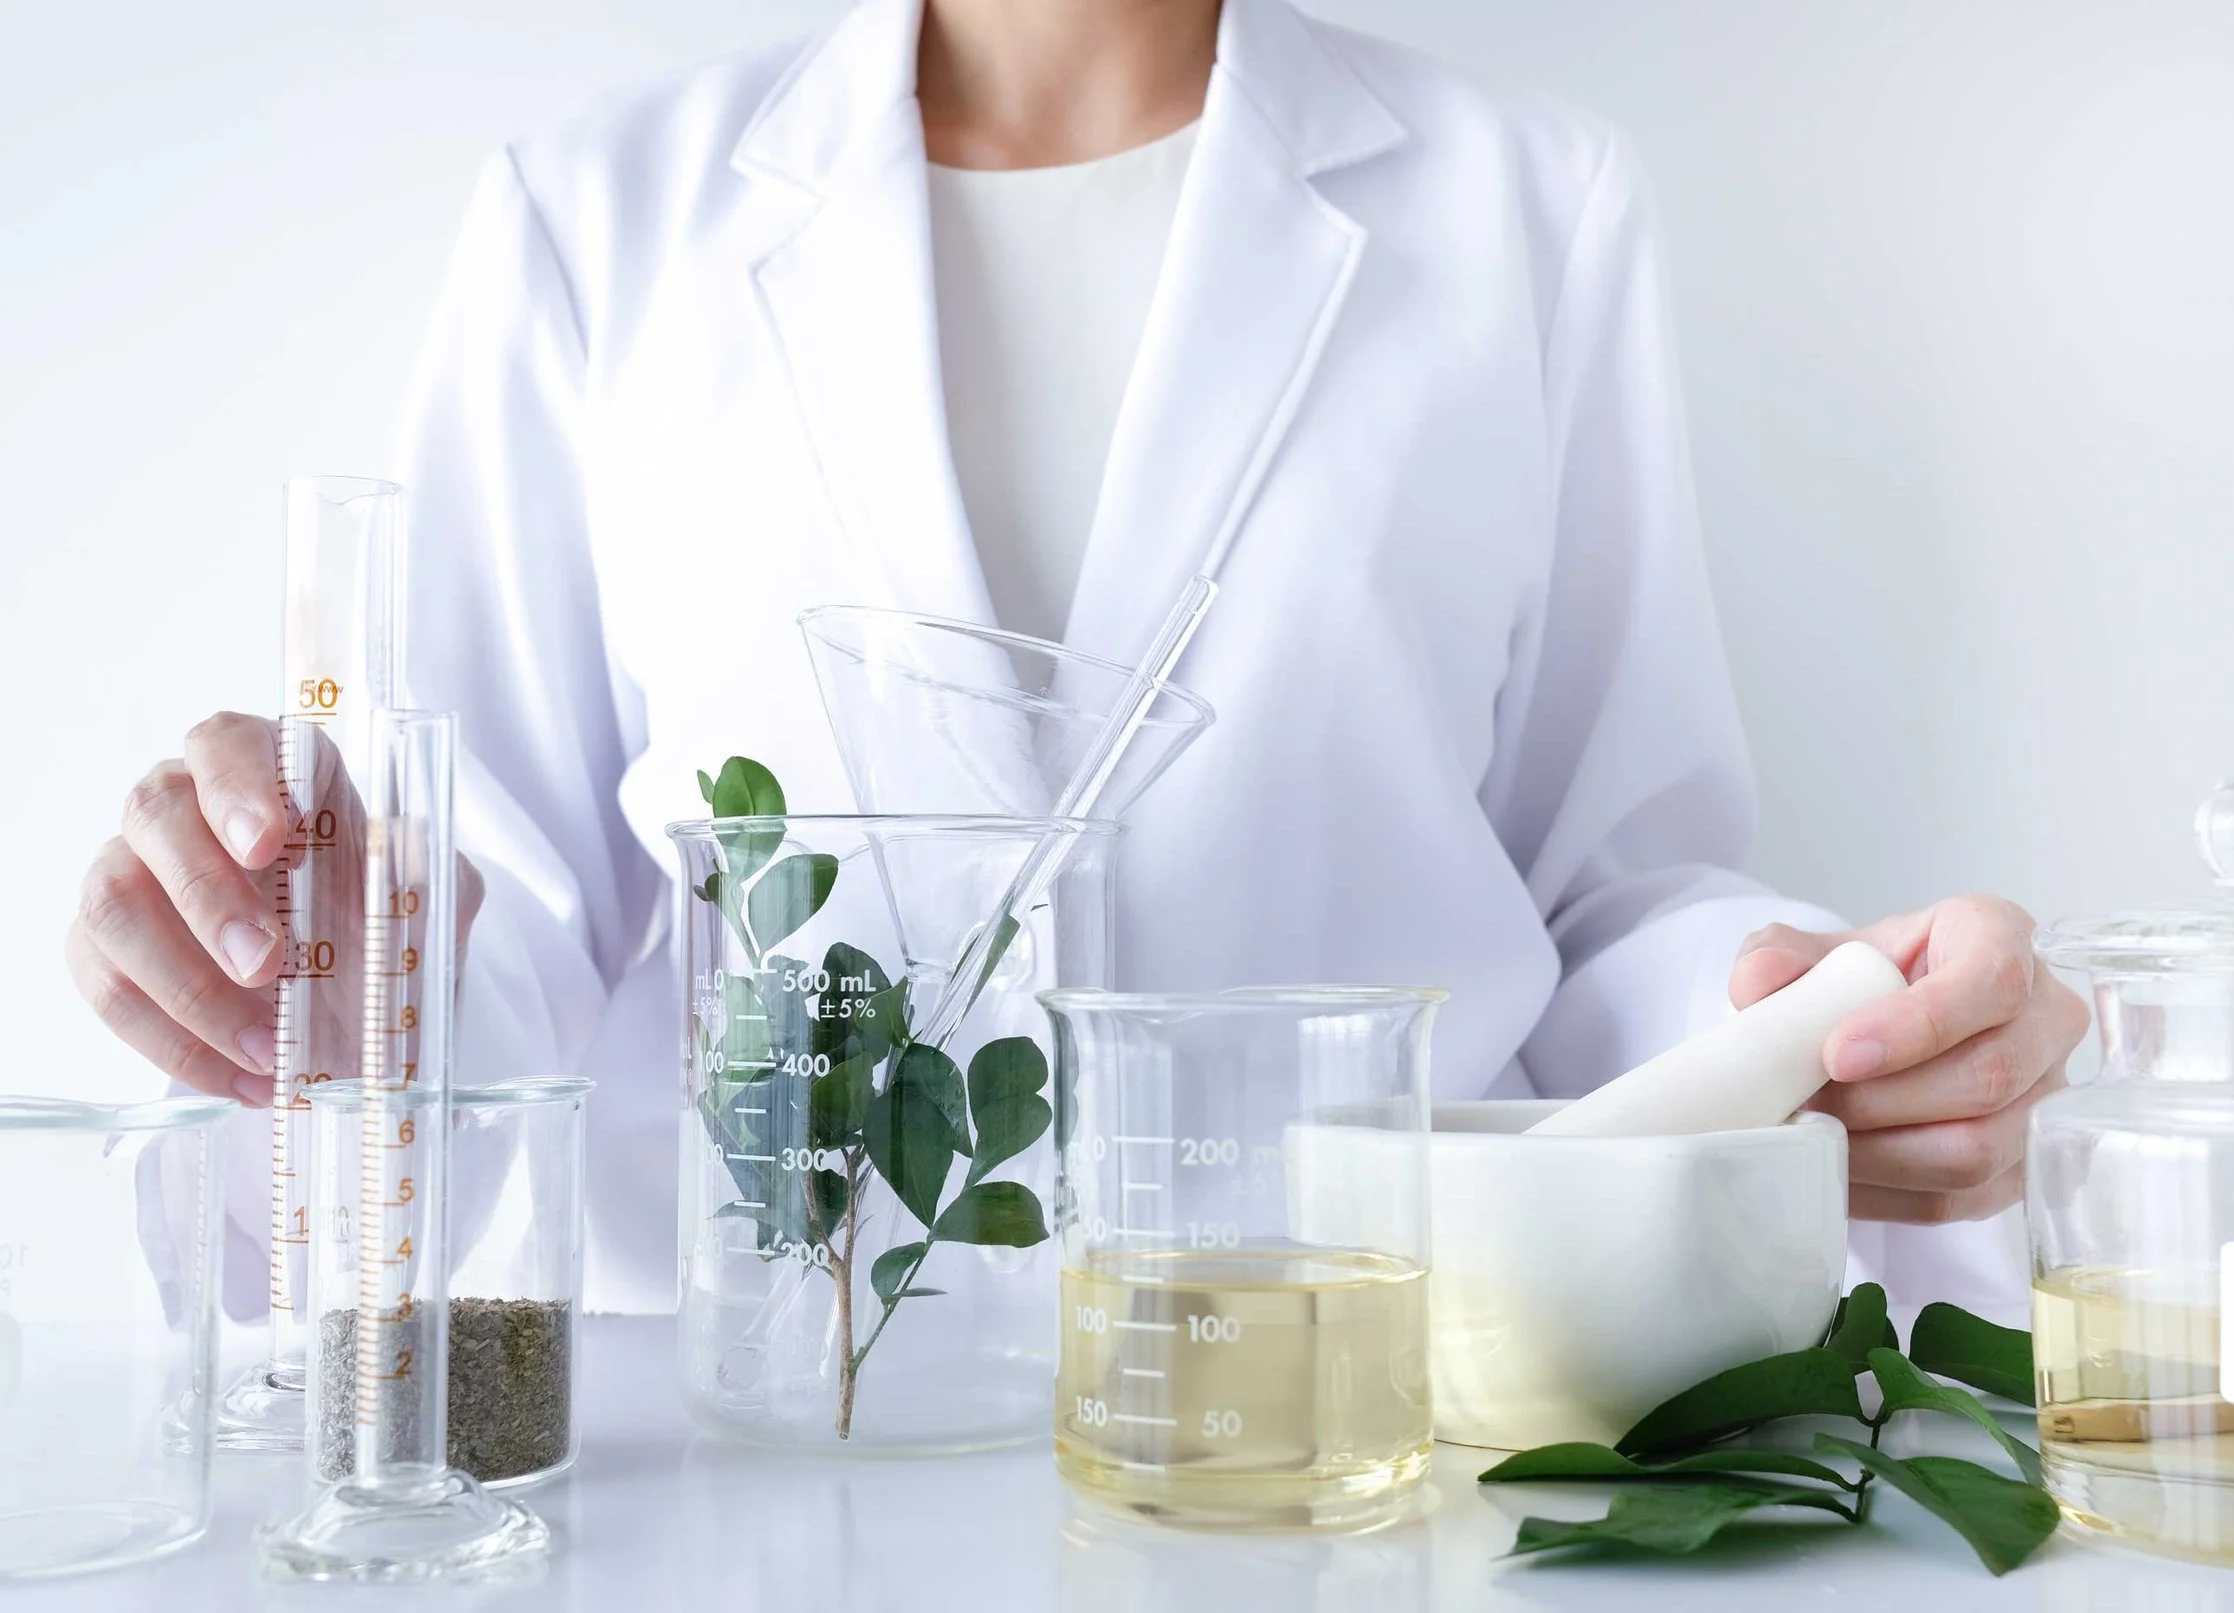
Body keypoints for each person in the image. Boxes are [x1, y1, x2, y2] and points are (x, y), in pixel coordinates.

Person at [65, 0, 2085, 1317]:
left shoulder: (1524, 205)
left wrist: (1813, 1025)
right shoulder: (603, 219)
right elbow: (466, 901)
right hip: (752, 1453)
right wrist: (294, 955)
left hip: (1354, 1429)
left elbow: (1601, 890)